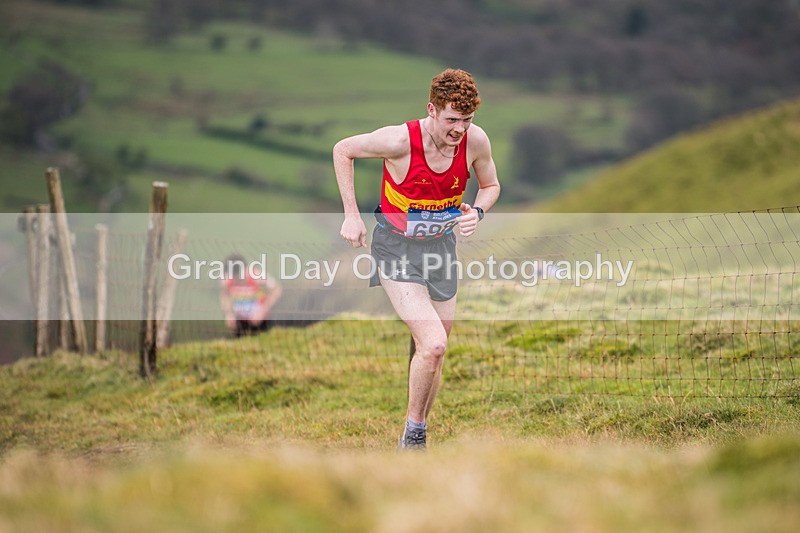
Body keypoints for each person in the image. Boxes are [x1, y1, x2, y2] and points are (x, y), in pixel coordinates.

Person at [333, 68, 501, 450]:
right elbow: (343, 149)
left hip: (441, 250)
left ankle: (417, 426)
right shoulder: (399, 141)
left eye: (467, 119)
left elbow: (491, 185)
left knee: (433, 351)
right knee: (435, 344)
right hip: (396, 249)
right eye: (451, 120)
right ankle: (414, 437)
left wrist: (478, 210)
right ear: (432, 109)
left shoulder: (475, 141)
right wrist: (351, 214)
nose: (459, 130)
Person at [219, 254, 283, 338]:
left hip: (260, 321)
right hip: (240, 322)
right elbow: (224, 295)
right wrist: (229, 314)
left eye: (235, 275)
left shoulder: (257, 275)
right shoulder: (226, 279)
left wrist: (262, 311)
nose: (233, 278)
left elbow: (277, 289)